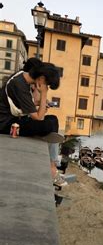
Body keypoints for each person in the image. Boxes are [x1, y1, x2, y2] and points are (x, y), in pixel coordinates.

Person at [0, 58, 67, 187]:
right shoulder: (20, 86)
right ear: (41, 79)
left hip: (15, 119)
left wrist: (39, 102)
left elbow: (24, 102)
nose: (46, 87)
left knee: (53, 120)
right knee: (48, 124)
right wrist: (43, 94)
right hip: (6, 125)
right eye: (47, 84)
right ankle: (52, 168)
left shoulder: (20, 77)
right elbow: (39, 118)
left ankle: (51, 159)